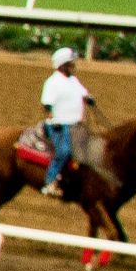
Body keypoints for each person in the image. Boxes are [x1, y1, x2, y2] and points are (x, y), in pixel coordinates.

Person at [40, 46, 91, 198]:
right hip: (58, 125)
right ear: (62, 65)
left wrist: (89, 98)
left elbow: (83, 94)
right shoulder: (52, 82)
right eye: (70, 64)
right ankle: (50, 181)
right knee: (64, 151)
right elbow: (46, 104)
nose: (73, 67)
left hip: (75, 125)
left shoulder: (74, 81)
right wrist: (52, 118)